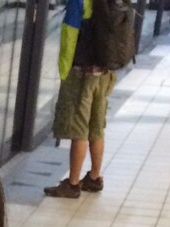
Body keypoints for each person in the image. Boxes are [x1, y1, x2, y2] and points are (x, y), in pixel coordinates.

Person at [44, 0, 116, 198]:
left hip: (82, 73)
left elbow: (69, 35)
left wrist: (64, 72)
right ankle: (94, 176)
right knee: (96, 125)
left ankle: (73, 183)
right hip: (105, 72)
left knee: (79, 128)